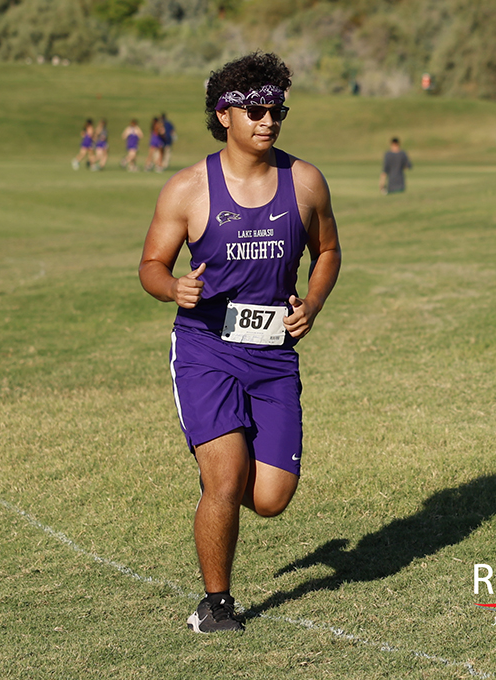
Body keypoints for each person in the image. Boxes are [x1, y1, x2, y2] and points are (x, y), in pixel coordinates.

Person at [138, 51, 341, 634]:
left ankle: (221, 475)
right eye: (254, 110)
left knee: (272, 497)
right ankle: (216, 604)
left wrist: (313, 303)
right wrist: (172, 286)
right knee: (226, 480)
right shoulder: (188, 189)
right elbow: (151, 264)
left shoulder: (304, 182)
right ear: (224, 115)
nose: (268, 120)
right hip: (206, 351)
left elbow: (328, 250)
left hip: (274, 356)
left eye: (276, 109)